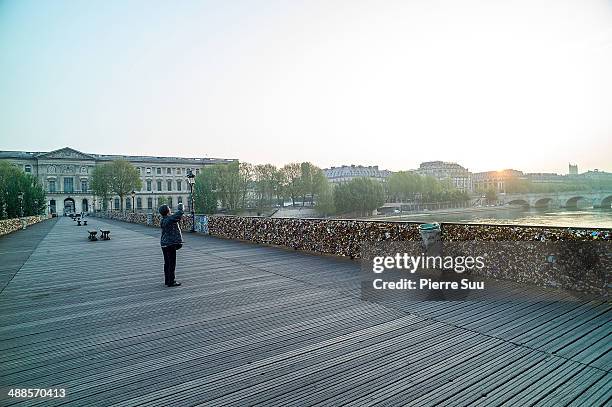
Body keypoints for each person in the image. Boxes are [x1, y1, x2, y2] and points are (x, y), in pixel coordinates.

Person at [159, 202, 184, 287]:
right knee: (172, 263)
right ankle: (171, 281)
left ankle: (167, 280)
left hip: (164, 244)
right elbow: (178, 214)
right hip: (170, 244)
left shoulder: (163, 219)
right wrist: (181, 207)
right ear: (167, 211)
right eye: (169, 208)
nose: (170, 209)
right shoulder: (168, 219)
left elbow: (176, 218)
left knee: (167, 263)